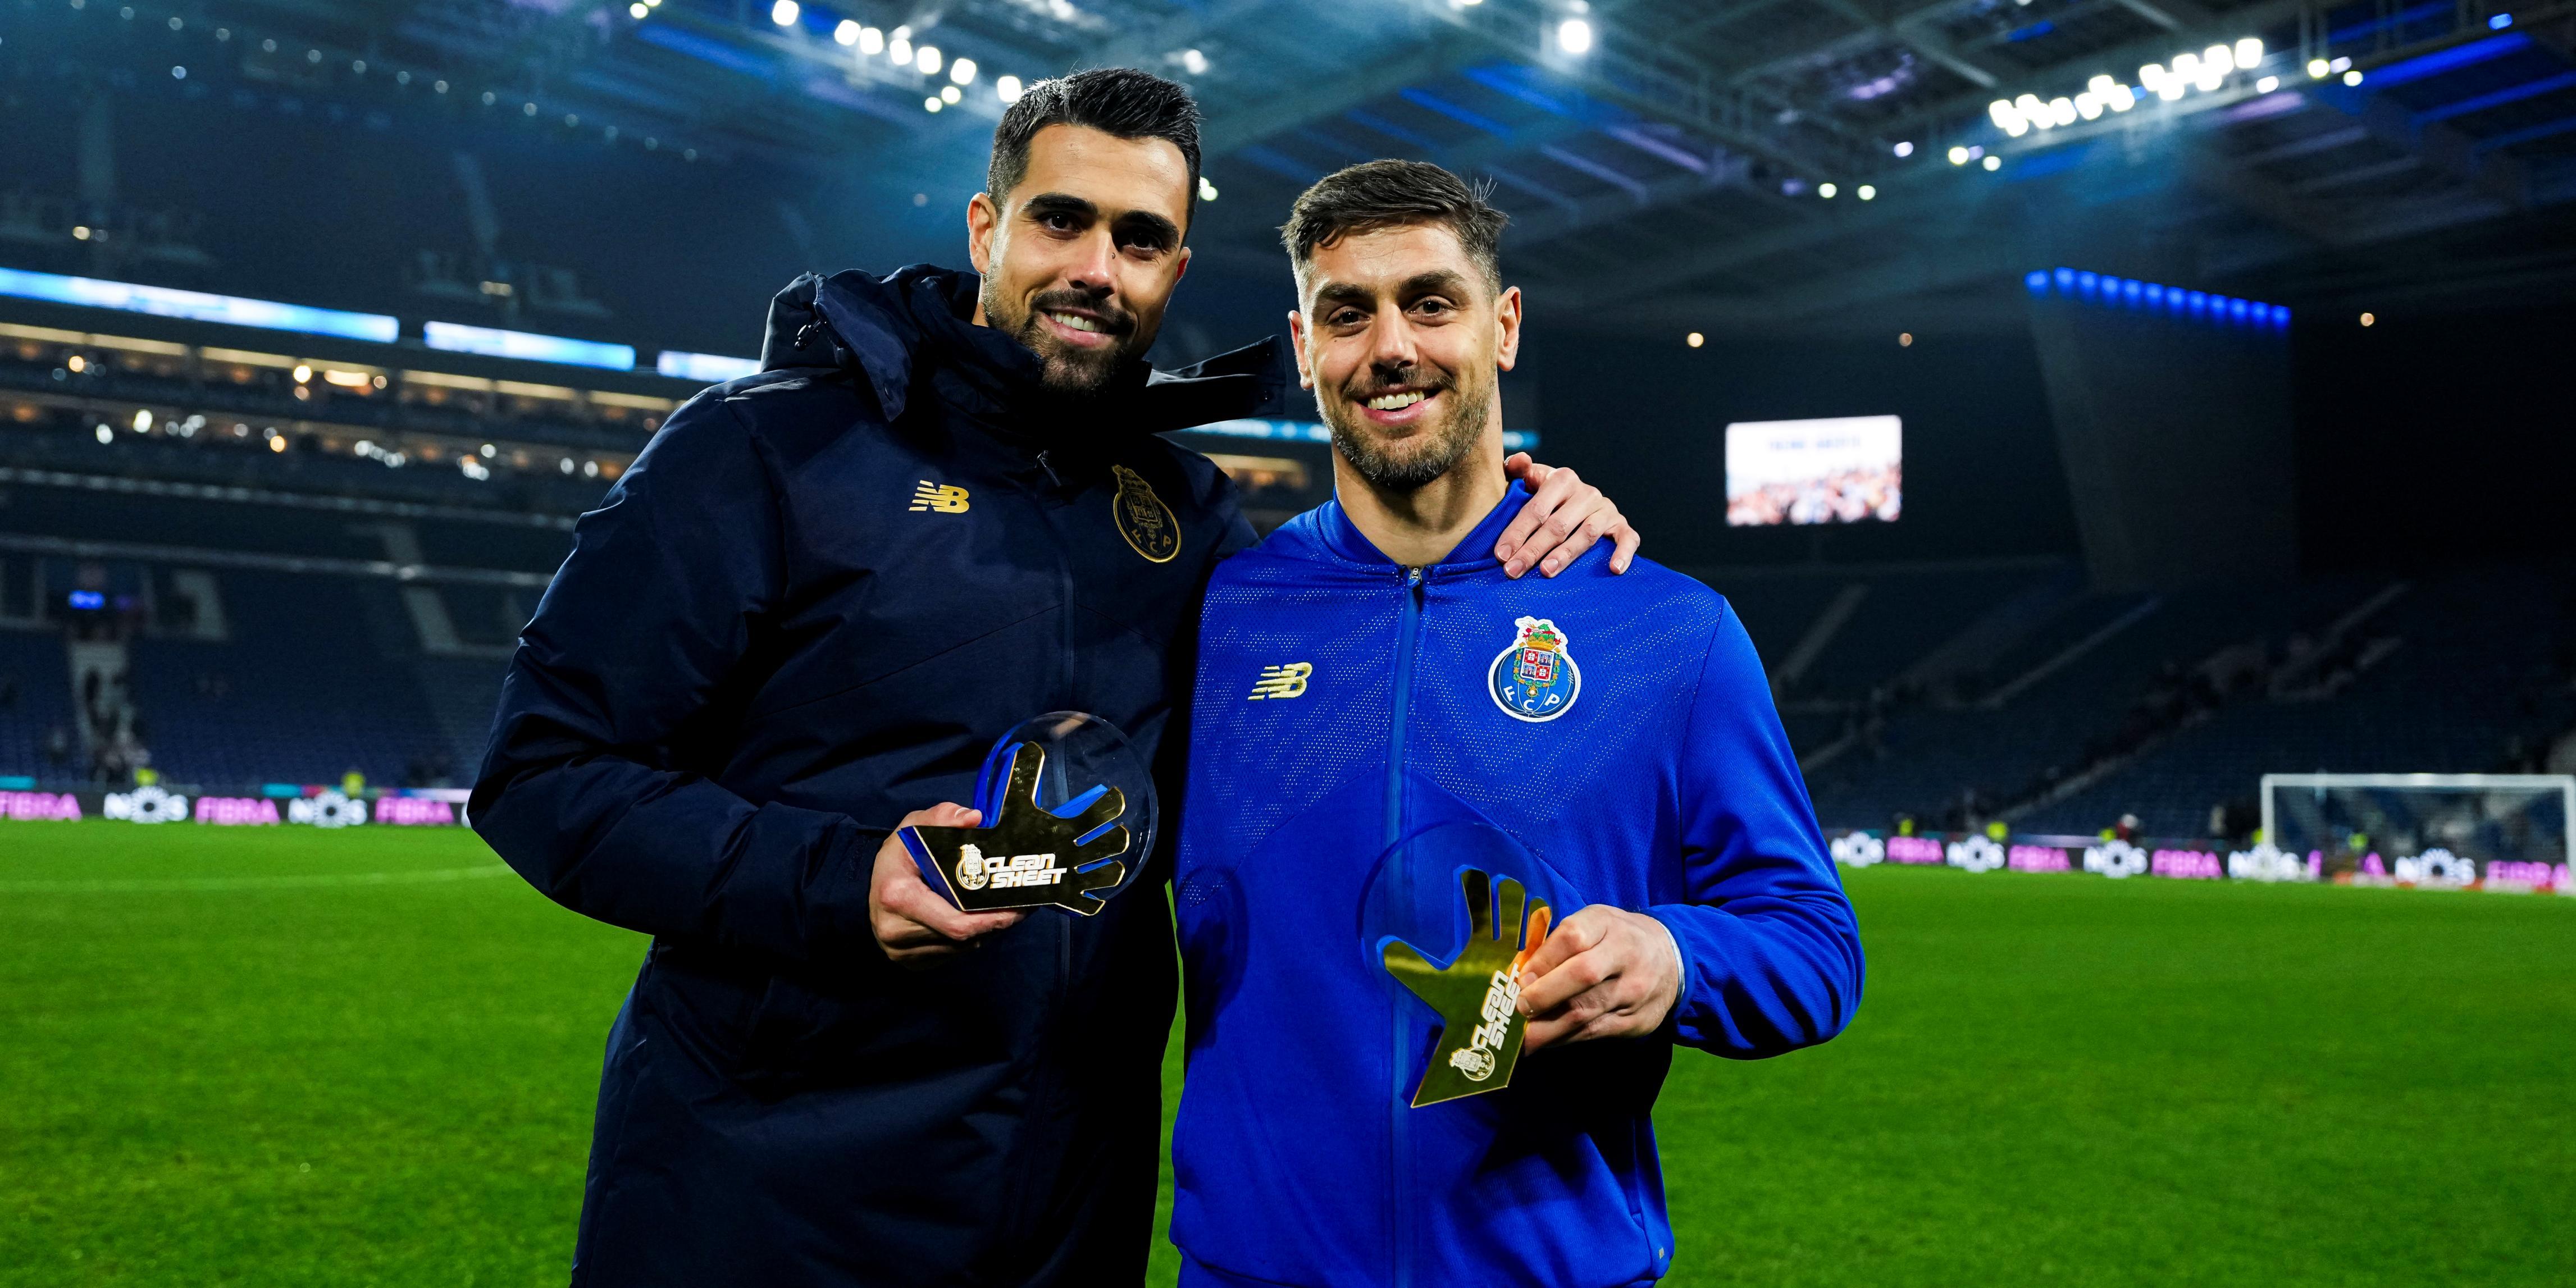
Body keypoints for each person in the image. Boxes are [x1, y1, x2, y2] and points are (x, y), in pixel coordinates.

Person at [470, 72, 1637, 1288]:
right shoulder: (765, 449)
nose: (1096, 268)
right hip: (767, 1204)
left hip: (1067, 1214)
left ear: (1174, 271)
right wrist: (839, 879)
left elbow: (1360, 665)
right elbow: (543, 771)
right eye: (1060, 221)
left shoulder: (1190, 517)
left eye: (1139, 239)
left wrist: (1521, 508)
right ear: (987, 228)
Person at [1166, 160, 1862, 1287]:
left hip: (1550, 1268)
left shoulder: (1666, 629)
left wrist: (1675, 955)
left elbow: (1816, 942)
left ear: (1503, 326)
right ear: (1303, 345)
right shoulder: (1216, 619)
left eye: (1430, 302)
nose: (1391, 345)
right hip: (1253, 1270)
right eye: (1346, 313)